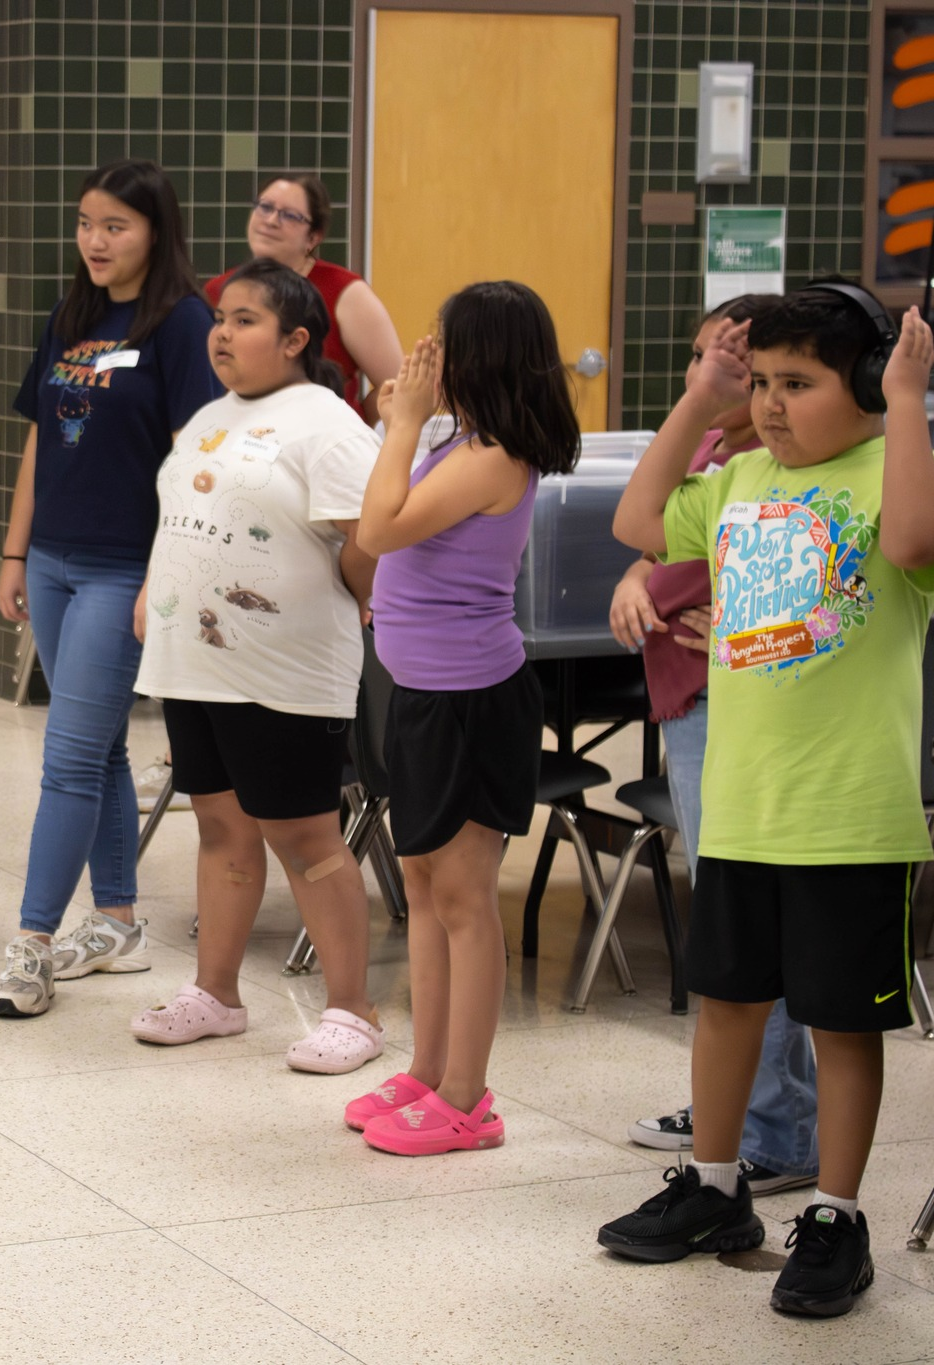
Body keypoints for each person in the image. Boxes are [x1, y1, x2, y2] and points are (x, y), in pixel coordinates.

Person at [598, 286, 934, 1318]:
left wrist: (901, 405)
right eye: (759, 383)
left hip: (849, 813)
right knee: (724, 1005)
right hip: (747, 803)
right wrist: (696, 399)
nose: (767, 406)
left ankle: (836, 1216)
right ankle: (714, 1189)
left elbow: (906, 550)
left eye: (794, 384)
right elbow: (636, 521)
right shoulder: (737, 480)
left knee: (840, 1024)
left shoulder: (912, 469)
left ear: (859, 384)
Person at [121, 257, 387, 1072]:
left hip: (285, 668)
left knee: (303, 835)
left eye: (244, 320)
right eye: (220, 319)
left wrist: (347, 598)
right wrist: (152, 590)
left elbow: (367, 541)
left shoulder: (328, 421)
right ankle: (217, 992)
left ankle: (354, 1009)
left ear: (297, 338)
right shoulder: (211, 415)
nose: (222, 334)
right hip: (197, 661)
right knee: (219, 827)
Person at [0, 160, 221, 1018]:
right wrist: (13, 555)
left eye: (115, 226)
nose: (95, 239)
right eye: (86, 222)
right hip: (51, 559)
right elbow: (41, 442)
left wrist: (162, 573)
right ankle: (117, 922)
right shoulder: (73, 313)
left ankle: (33, 943)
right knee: (103, 750)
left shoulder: (183, 322)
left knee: (68, 758)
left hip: (125, 566)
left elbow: (196, 460)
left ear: (154, 232)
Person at [352, 281, 580, 1156]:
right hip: (422, 694)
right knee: (421, 887)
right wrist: (403, 424)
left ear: (477, 359)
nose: (422, 354)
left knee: (462, 898)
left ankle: (467, 1097)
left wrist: (405, 422)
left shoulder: (494, 457)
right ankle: (428, 1067)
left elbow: (378, 530)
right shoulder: (463, 443)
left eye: (439, 344)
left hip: (472, 701)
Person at [609, 295, 819, 1198]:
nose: (717, 377)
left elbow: (805, 586)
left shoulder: (782, 465)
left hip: (732, 700)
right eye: (710, 363)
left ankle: (774, 1127)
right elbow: (652, 532)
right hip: (688, 696)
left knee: (747, 928)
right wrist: (635, 575)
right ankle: (739, 1104)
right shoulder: (714, 451)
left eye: (732, 362)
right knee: (730, 925)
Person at [204, 174, 400, 422]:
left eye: (290, 216)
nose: (271, 220)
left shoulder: (346, 292)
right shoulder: (219, 290)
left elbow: (395, 387)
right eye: (265, 207)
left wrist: (353, 425)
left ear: (313, 237)